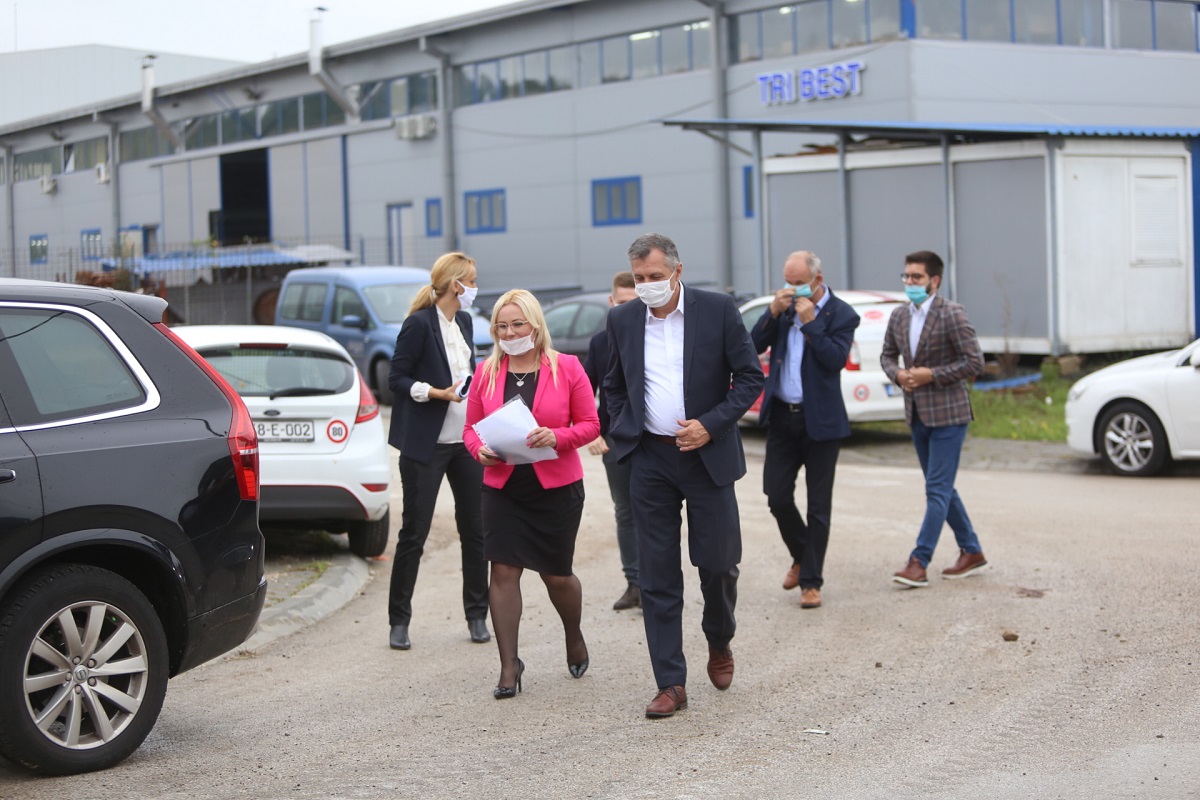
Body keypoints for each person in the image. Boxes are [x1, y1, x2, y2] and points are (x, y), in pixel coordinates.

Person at [603, 233, 764, 719]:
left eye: (654, 276)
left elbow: (749, 378)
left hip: (706, 454)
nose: (646, 285)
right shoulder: (622, 319)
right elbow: (614, 384)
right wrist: (625, 430)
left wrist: (711, 425)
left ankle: (719, 638)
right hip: (650, 458)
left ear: (677, 271)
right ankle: (670, 682)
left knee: (718, 564)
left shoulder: (717, 310)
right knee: (656, 573)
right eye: (639, 278)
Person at [463, 289, 600, 699]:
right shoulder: (486, 372)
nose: (509, 333)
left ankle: (573, 635)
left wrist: (556, 436)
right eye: (501, 326)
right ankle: (509, 666)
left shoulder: (567, 367)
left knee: (556, 574)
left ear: (535, 325)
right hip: (503, 486)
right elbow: (470, 429)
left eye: (517, 324)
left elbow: (591, 424)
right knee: (503, 571)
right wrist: (478, 451)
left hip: (556, 487)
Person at [385, 252, 490, 651]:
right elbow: (396, 378)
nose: (475, 288)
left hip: (465, 443)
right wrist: (435, 393)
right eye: (472, 281)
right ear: (455, 285)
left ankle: (477, 615)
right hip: (425, 445)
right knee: (414, 533)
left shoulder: (464, 322)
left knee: (476, 531)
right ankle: (399, 621)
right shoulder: (418, 324)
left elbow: (469, 374)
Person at [750, 251, 860, 610]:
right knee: (776, 496)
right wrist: (772, 312)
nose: (792, 288)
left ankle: (811, 581)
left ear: (817, 279)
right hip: (783, 417)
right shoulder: (783, 310)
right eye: (788, 280)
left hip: (821, 422)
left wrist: (812, 323)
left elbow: (834, 360)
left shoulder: (842, 313)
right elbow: (752, 346)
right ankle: (801, 555)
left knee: (818, 505)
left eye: (798, 282)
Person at [880, 250, 988, 587]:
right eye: (907, 276)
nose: (910, 282)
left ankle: (919, 561)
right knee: (940, 486)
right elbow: (887, 355)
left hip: (949, 415)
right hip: (916, 413)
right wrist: (898, 374)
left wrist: (933, 374)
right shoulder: (899, 315)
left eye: (917, 277)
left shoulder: (952, 313)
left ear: (934, 281)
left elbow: (974, 362)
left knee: (936, 489)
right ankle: (972, 550)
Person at [583, 271, 641, 611]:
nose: (627, 310)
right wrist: (592, 431)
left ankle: (658, 583)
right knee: (625, 512)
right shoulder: (600, 342)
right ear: (611, 302)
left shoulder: (657, 335)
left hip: (656, 438)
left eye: (634, 303)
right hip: (615, 439)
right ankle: (635, 584)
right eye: (622, 303)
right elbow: (583, 391)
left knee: (658, 512)